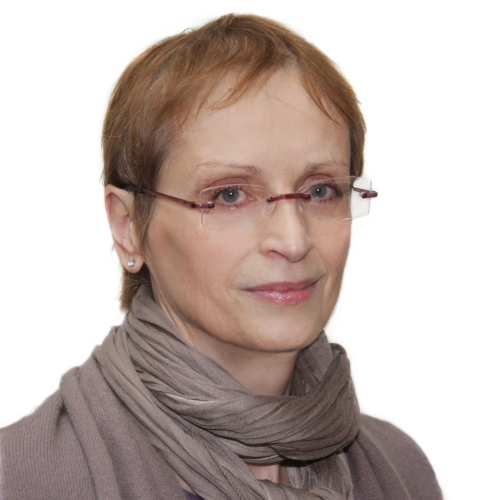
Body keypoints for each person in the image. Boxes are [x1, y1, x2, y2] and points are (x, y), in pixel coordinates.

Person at [0, 13, 442, 500]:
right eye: (230, 195)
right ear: (128, 227)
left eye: (320, 190)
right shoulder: (21, 481)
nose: (293, 240)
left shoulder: (401, 473)